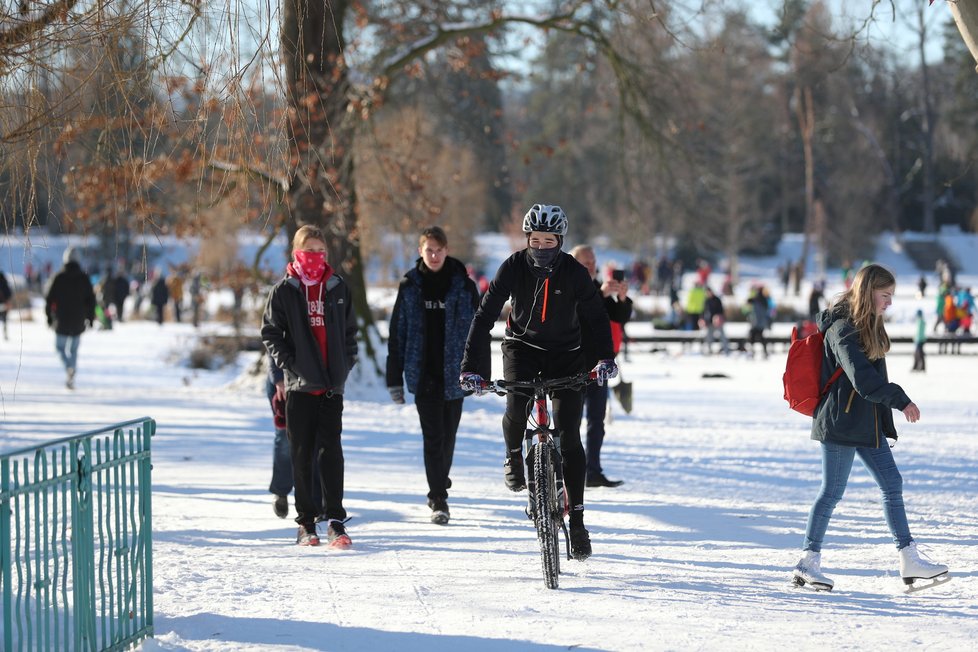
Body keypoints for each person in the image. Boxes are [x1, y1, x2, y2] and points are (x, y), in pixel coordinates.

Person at [459, 204, 617, 561]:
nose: (542, 247)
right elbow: (484, 316)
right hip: (521, 348)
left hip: (567, 353)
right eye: (536, 240)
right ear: (527, 239)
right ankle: (514, 455)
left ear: (560, 242)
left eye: (550, 241)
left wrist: (606, 359)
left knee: (570, 435)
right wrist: (471, 367)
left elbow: (595, 315)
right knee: (517, 404)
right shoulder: (512, 267)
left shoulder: (575, 273)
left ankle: (576, 522)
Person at [792, 264, 947, 592]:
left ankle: (909, 558)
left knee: (892, 483)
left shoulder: (867, 325)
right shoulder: (842, 328)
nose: (889, 302)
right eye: (885, 295)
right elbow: (863, 380)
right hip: (839, 422)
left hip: (864, 422)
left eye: (891, 295)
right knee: (832, 491)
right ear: (868, 292)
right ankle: (808, 562)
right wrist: (901, 400)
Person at [261, 225, 358, 548]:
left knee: (331, 453)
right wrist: (290, 364)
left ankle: (334, 520)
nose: (315, 257)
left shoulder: (338, 288)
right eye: (309, 250)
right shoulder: (284, 291)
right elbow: (271, 333)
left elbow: (349, 334)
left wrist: (345, 365)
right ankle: (305, 523)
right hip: (300, 387)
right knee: (301, 455)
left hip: (331, 387)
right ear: (296, 253)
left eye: (320, 250)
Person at [386, 226, 480, 525]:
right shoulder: (410, 285)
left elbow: (479, 334)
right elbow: (396, 332)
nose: (435, 255)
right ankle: (438, 497)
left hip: (455, 373)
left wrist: (480, 373)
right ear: (420, 251)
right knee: (433, 437)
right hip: (423, 372)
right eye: (429, 250)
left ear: (447, 250)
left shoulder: (464, 286)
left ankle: (440, 478)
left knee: (448, 436)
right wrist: (394, 376)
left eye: (439, 250)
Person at [569, 245, 632, 488]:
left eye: (593, 262)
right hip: (572, 366)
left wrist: (622, 298)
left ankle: (592, 470)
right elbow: (576, 317)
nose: (591, 267)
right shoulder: (568, 288)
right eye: (586, 263)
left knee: (597, 421)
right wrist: (602, 296)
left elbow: (620, 316)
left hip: (598, 366)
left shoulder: (597, 288)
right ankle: (570, 471)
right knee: (570, 422)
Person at [44, 247, 96, 389]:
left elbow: (49, 299)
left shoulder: (58, 277)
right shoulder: (84, 278)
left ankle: (68, 367)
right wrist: (90, 318)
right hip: (79, 321)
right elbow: (91, 301)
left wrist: (49, 317)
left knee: (59, 347)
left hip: (61, 320)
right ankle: (71, 371)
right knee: (73, 350)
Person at [700, 286, 729, 355]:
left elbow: (721, 311)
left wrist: (718, 317)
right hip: (710, 322)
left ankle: (726, 350)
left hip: (718, 322)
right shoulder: (706, 301)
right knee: (709, 337)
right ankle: (709, 350)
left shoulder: (717, 300)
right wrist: (702, 319)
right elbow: (704, 311)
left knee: (722, 336)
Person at [0, 268, 11, 340]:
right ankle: (5, 333)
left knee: (4, 320)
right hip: (4, 303)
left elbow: (8, 292)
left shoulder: (3, 281)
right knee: (4, 320)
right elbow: (9, 292)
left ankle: (5, 333)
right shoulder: (4, 280)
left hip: (3, 303)